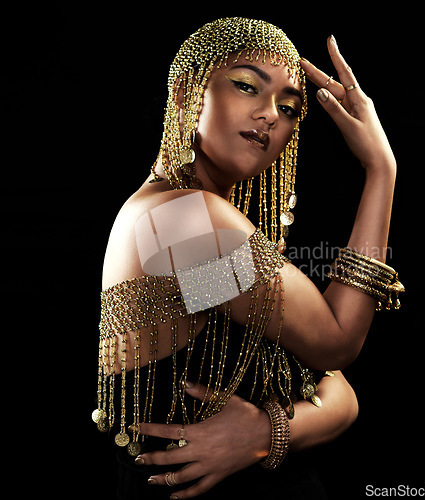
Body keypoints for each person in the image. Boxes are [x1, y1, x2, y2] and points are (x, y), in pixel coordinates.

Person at [92, 17, 403, 499]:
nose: (271, 115)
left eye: (290, 107)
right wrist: (381, 169)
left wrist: (266, 431)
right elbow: (337, 345)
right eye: (246, 85)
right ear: (188, 95)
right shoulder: (188, 220)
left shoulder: (173, 219)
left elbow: (330, 383)